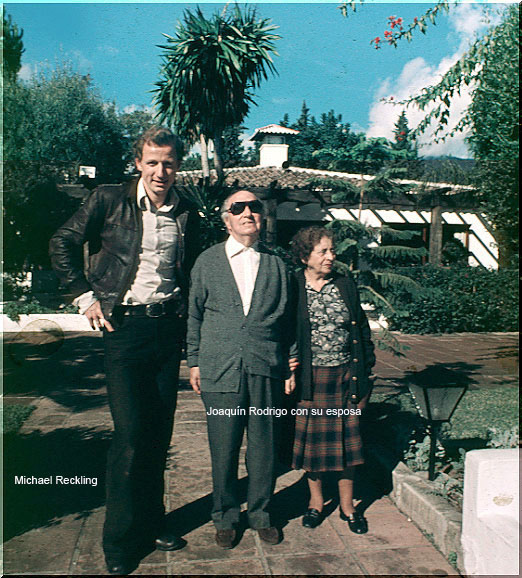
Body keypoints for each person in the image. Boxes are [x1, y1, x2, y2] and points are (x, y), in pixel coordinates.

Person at [49, 126, 198, 575]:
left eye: (168, 163)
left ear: (178, 166)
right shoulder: (109, 199)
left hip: (166, 331)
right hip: (125, 329)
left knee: (157, 435)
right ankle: (118, 542)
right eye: (152, 162)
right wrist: (84, 297)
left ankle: (152, 523)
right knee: (131, 437)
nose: (160, 171)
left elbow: (188, 272)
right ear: (138, 163)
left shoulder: (186, 209)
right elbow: (62, 241)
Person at [187, 190, 294, 549]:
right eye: (238, 208)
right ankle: (225, 515)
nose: (248, 212)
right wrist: (194, 360)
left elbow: (289, 320)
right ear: (226, 219)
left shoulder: (277, 265)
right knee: (224, 446)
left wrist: (291, 361)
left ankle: (261, 513)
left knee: (264, 446)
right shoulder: (207, 261)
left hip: (266, 365)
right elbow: (194, 315)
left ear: (262, 217)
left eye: (255, 207)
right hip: (220, 367)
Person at [287, 226, 375, 534]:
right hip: (311, 379)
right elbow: (283, 329)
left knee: (347, 446)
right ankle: (315, 502)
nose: (330, 256)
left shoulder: (344, 284)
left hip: (345, 375)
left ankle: (348, 507)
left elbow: (361, 329)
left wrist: (366, 370)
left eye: (332, 250)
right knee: (314, 447)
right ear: (304, 256)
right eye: (322, 251)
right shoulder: (293, 285)